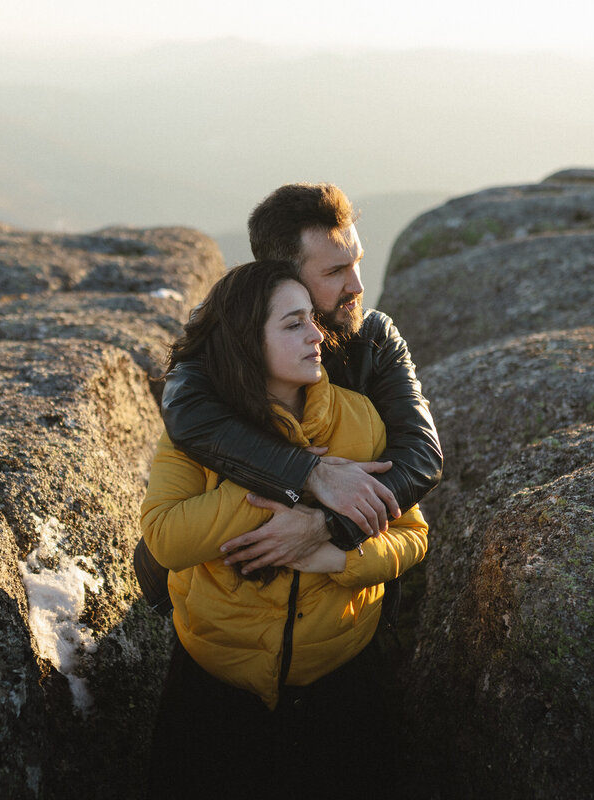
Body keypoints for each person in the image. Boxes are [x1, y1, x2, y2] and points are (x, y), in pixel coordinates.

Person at [140, 260, 428, 796]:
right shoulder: (202, 429)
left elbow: (413, 534)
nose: (317, 334)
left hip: (340, 680)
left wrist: (340, 555)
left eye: (312, 319)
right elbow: (163, 537)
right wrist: (288, 481)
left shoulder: (360, 419)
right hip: (215, 679)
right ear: (248, 341)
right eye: (293, 324)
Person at [137, 182, 442, 621]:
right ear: (284, 275)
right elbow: (187, 414)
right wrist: (311, 475)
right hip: (214, 616)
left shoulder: (374, 338)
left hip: (340, 615)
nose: (357, 284)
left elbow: (421, 455)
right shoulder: (230, 339)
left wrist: (326, 526)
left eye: (357, 262)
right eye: (335, 271)